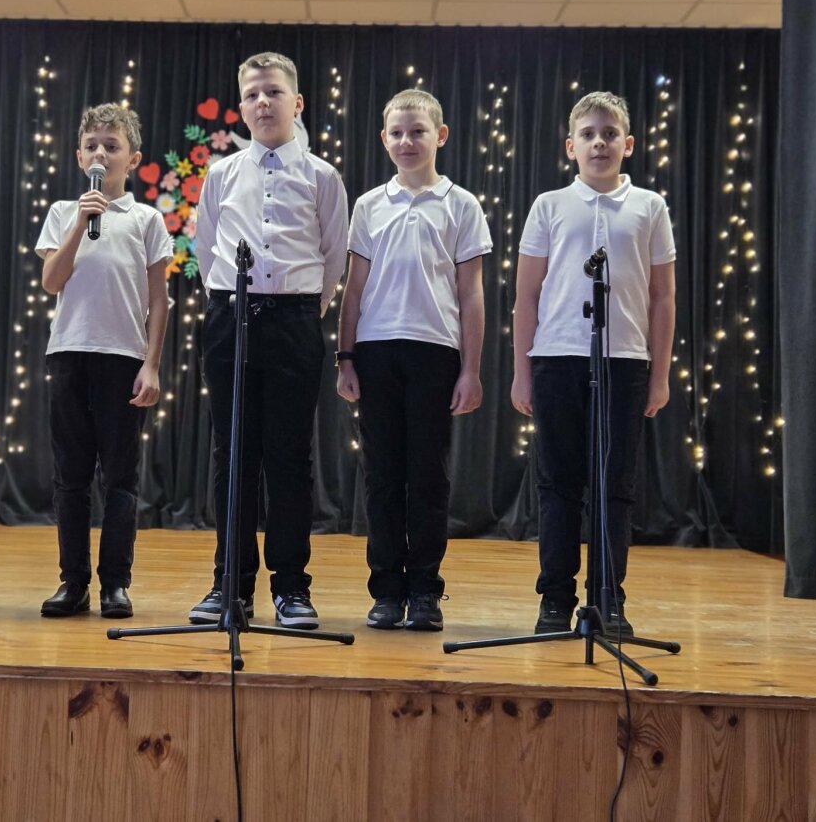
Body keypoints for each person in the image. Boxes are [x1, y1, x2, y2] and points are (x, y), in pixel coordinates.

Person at [191, 52, 349, 630]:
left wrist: (303, 310)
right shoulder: (221, 174)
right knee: (232, 454)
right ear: (241, 106)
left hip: (294, 322)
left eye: (274, 92)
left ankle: (291, 588)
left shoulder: (322, 177)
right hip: (229, 319)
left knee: (289, 457)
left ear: (296, 102)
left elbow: (333, 255)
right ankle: (229, 584)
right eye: (253, 94)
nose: (263, 102)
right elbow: (208, 247)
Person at [512, 91, 676, 636]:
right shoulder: (549, 205)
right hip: (556, 357)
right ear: (570, 146)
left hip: (623, 360)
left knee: (615, 484)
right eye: (588, 134)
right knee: (558, 483)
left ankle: (608, 597)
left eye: (609, 134)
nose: (599, 143)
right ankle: (555, 599)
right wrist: (521, 371)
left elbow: (662, 297)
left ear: (628, 144)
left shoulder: (649, 206)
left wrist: (659, 375)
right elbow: (527, 294)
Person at [336, 88, 491, 632]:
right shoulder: (369, 205)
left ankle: (425, 589)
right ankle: (386, 590)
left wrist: (471, 369)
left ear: (439, 136)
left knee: (428, 476)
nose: (407, 141)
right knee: (382, 476)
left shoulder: (461, 205)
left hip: (435, 354)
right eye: (398, 133)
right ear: (384, 140)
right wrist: (345, 357)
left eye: (418, 131)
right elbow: (354, 289)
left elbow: (471, 293)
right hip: (376, 353)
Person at [36, 103, 171, 619]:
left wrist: (151, 364)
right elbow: (52, 281)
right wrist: (80, 221)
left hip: (123, 358)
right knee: (70, 478)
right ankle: (73, 581)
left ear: (132, 159)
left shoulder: (146, 219)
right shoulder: (62, 212)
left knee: (120, 479)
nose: (100, 154)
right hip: (69, 354)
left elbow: (158, 299)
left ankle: (116, 582)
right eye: (91, 146)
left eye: (111, 146)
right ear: (78, 157)